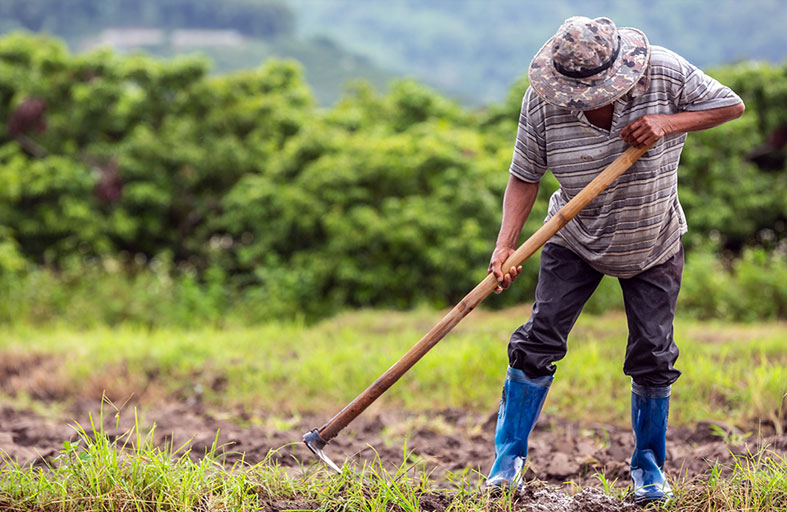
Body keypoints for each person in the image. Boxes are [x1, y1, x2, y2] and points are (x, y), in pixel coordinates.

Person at [485, 16, 745, 505]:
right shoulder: (542, 103)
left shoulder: (663, 71)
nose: (584, 100)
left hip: (653, 240)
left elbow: (730, 105)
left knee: (653, 354)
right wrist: (506, 246)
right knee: (538, 341)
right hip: (573, 236)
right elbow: (524, 175)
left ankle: (649, 469)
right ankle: (507, 464)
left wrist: (667, 123)